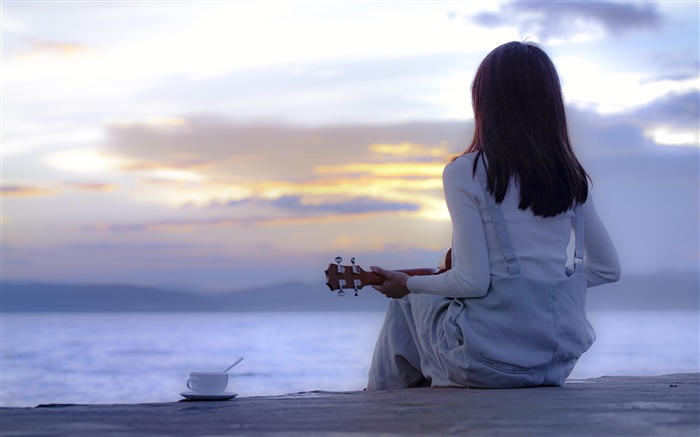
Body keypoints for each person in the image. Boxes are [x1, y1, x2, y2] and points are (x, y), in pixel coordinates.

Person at [367, 41, 621, 390]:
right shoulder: (571, 177)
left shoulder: (465, 172)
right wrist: (543, 279)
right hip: (555, 363)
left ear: (485, 102)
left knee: (408, 303)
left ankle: (380, 406)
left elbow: (472, 283)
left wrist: (407, 283)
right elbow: (608, 270)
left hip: (489, 362)